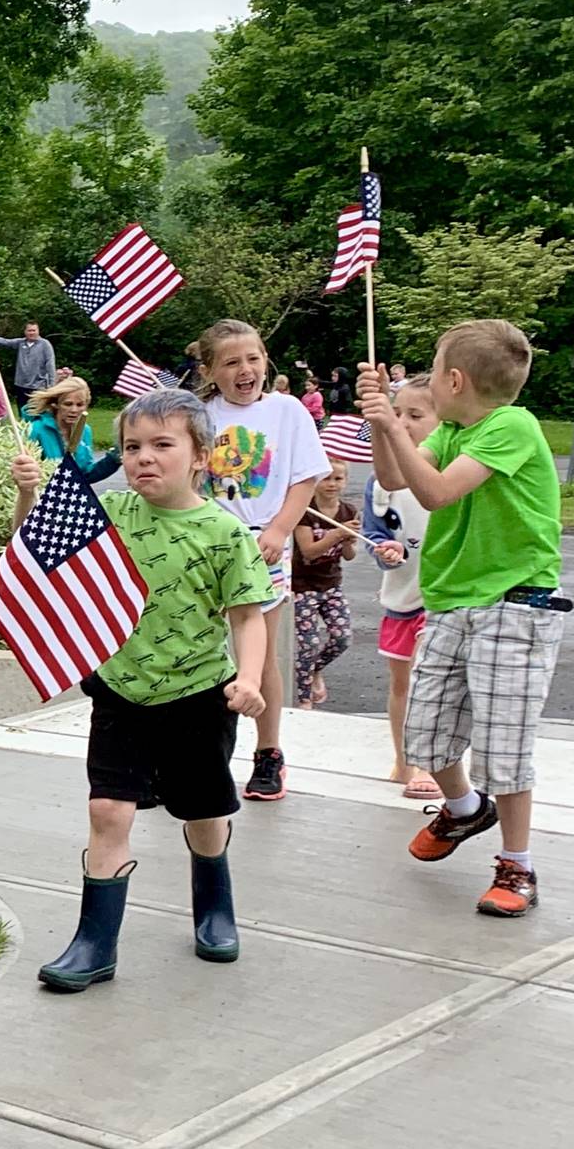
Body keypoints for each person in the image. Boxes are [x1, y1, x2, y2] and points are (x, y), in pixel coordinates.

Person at [9, 387, 273, 992]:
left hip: (200, 695)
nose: (143, 458)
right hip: (121, 692)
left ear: (201, 455)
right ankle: (94, 943)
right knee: (107, 810)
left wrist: (250, 678)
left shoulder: (223, 532)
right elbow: (36, 552)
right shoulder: (111, 515)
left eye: (162, 445)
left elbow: (247, 615)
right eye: (132, 447)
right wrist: (29, 493)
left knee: (204, 811)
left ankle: (214, 905)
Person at [357, 319, 566, 919]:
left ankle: (517, 865)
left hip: (514, 605)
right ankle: (466, 809)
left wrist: (394, 422)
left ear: (453, 379)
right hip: (450, 603)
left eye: (434, 365)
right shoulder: (450, 430)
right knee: (426, 734)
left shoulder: (511, 427)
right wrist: (381, 423)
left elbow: (438, 493)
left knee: (504, 744)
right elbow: (396, 478)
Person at [196, 319, 328, 803]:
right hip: (208, 545)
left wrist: (277, 530)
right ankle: (197, 751)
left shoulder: (286, 411)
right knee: (202, 648)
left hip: (263, 546)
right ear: (211, 370)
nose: (245, 370)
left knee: (260, 652)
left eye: (253, 358)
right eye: (231, 362)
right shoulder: (200, 414)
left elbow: (305, 478)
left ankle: (268, 752)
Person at [361, 373, 440, 800]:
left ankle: (429, 764)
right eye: (398, 413)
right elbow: (372, 533)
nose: (404, 422)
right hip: (400, 597)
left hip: (441, 598)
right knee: (401, 684)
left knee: (432, 682)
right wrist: (382, 549)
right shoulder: (381, 481)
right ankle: (403, 758)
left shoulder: (451, 470)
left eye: (416, 414)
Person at [288, 459, 357, 708]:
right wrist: (337, 534)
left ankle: (315, 669)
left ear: (345, 481)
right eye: (326, 478)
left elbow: (349, 555)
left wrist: (348, 540)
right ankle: (305, 699)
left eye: (338, 478)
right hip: (303, 586)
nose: (332, 484)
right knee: (308, 643)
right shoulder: (305, 511)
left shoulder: (348, 512)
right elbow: (309, 551)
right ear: (316, 482)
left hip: (332, 585)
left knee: (342, 638)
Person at [22, 373, 120, 480]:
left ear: (86, 406)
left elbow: (86, 475)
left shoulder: (85, 430)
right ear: (56, 404)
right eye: (68, 404)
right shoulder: (36, 429)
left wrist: (113, 460)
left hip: (72, 494)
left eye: (80, 405)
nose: (74, 410)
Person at [0, 322, 56, 413]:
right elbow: (6, 342)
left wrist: (52, 385)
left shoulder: (45, 344)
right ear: (25, 332)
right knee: (23, 411)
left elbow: (50, 364)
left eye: (34, 330)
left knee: (36, 412)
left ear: (38, 331)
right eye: (29, 330)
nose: (32, 333)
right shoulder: (21, 343)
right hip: (20, 385)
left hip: (38, 386)